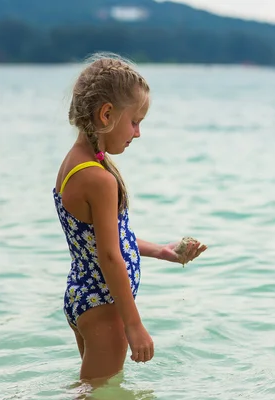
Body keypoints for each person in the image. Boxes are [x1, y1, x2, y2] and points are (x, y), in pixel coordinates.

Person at [52, 53, 207, 383]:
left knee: (93, 389)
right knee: (100, 391)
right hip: (105, 305)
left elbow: (99, 239)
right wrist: (133, 324)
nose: (137, 133)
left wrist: (161, 251)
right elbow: (109, 256)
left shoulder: (75, 163)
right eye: (135, 121)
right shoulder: (99, 178)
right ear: (106, 114)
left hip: (83, 296)